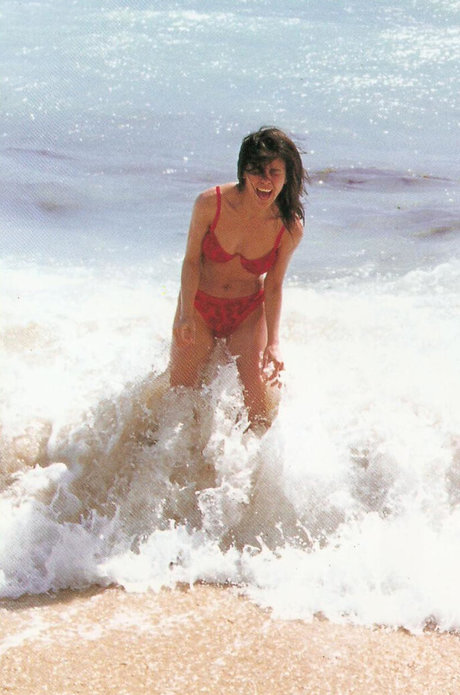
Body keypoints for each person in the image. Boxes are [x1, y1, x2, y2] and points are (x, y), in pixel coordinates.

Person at [169, 126, 307, 429]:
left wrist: (274, 343)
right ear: (244, 171)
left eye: (274, 172)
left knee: (258, 406)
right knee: (178, 399)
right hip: (200, 306)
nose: (265, 180)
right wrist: (185, 313)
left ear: (287, 176)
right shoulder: (210, 203)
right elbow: (191, 262)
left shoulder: (289, 227)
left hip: (247, 312)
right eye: (257, 170)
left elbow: (273, 285)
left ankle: (252, 459)